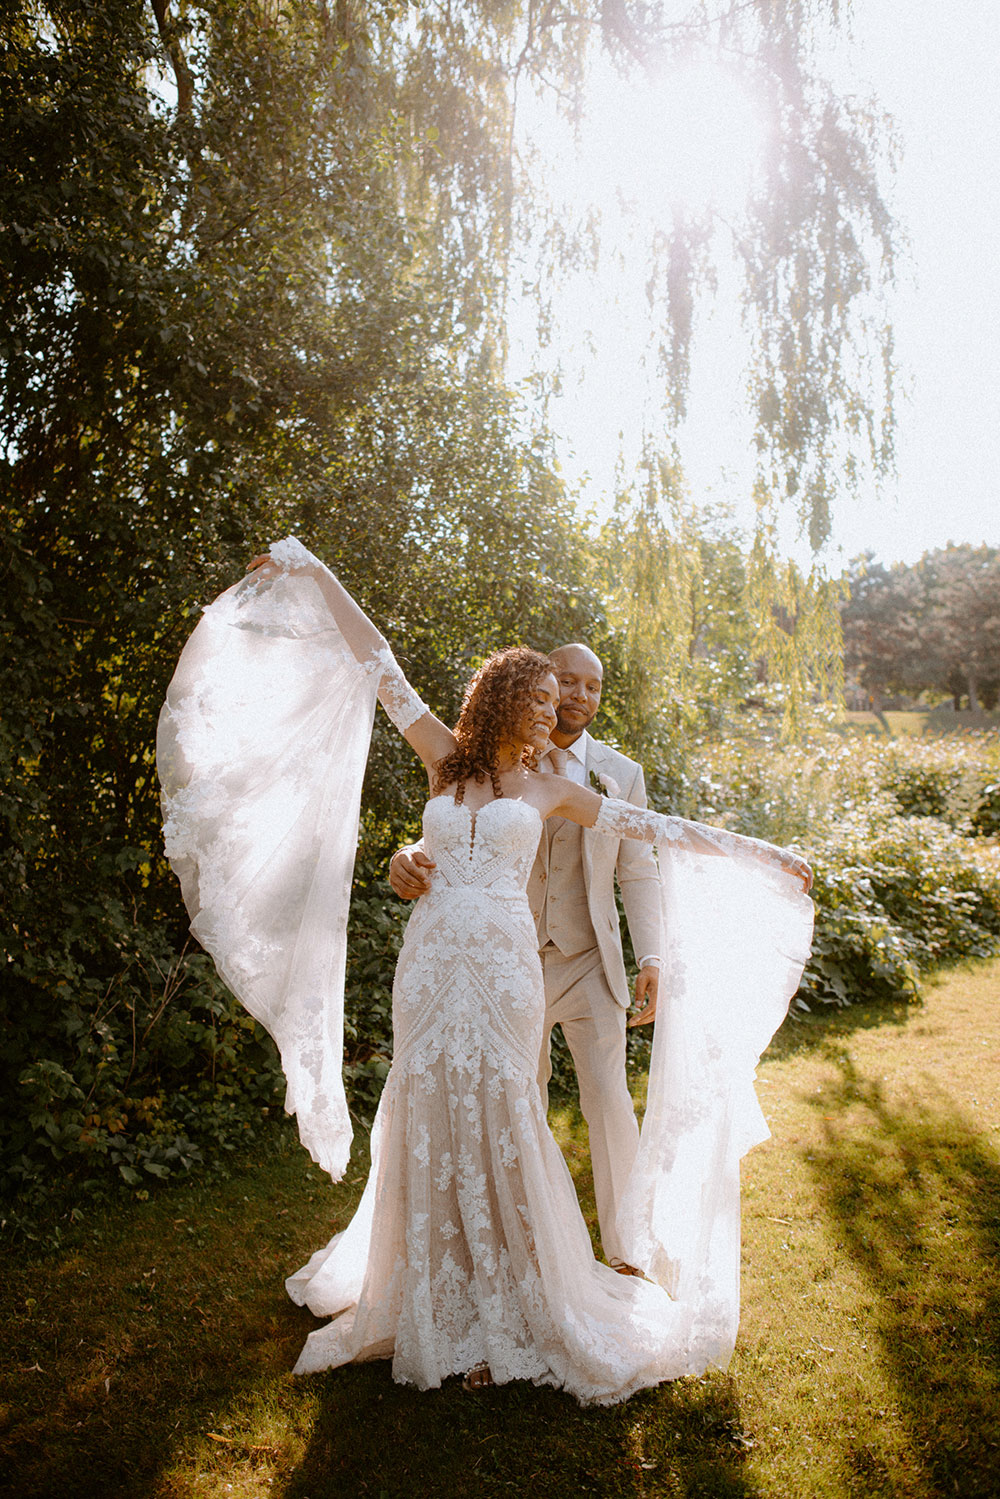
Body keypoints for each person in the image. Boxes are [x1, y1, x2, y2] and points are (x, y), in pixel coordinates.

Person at [158, 537, 814, 1404]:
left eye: (559, 701)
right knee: (427, 1104)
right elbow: (378, 662)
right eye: (539, 698)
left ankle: (516, 1297)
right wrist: (314, 570)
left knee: (503, 1110)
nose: (553, 713)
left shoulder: (549, 789)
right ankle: (433, 1294)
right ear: (503, 696)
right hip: (430, 962)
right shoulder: (444, 757)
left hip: (507, 967)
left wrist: (764, 855)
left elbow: (658, 832)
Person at [389, 642, 662, 1272]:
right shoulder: (467, 764)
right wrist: (404, 853)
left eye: (590, 686)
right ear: (521, 693)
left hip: (589, 957)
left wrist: (655, 953)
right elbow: (462, 829)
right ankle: (506, 1257)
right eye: (561, 685)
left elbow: (644, 858)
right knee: (513, 1106)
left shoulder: (610, 774)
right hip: (498, 964)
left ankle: (628, 1251)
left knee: (609, 1103)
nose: (573, 698)